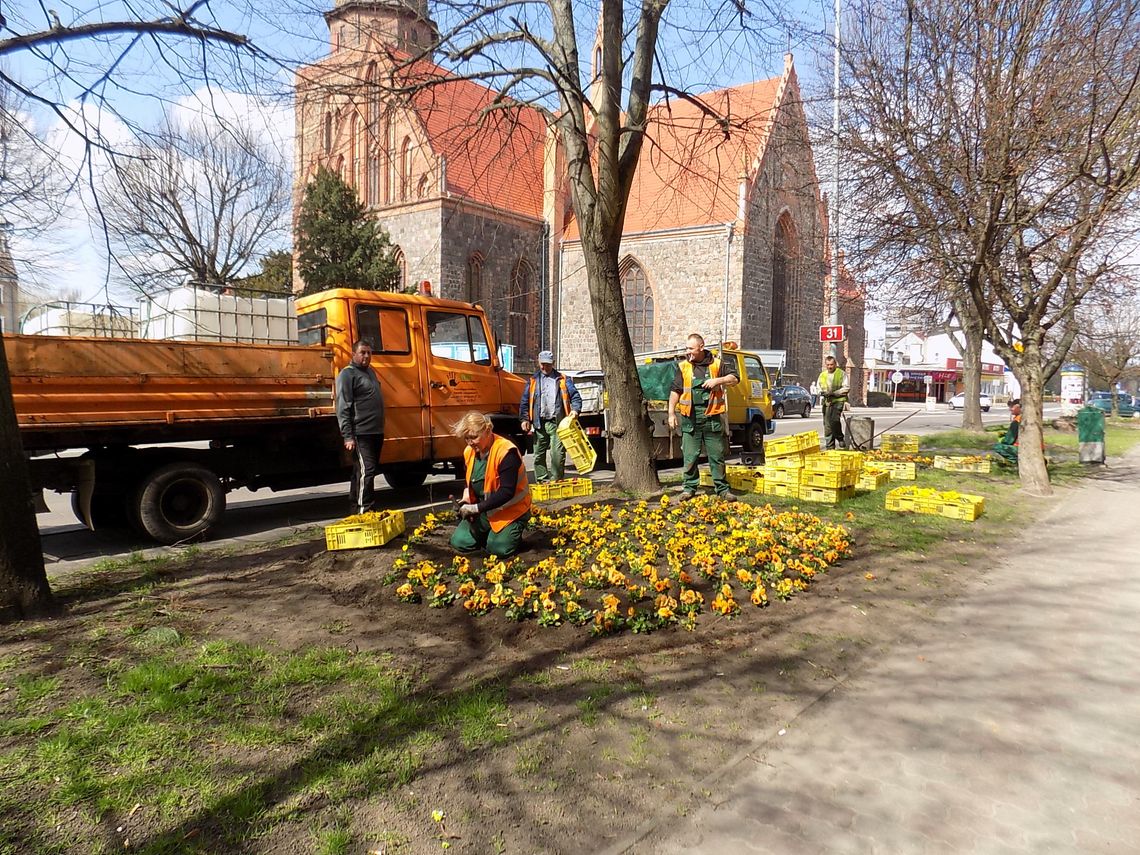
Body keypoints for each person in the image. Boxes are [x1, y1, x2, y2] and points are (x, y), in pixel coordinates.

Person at [667, 333, 740, 500]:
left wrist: (718, 381)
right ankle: (689, 488)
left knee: (717, 456)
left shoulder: (716, 364)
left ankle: (722, 490)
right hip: (690, 419)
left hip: (712, 418)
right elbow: (675, 391)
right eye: (687, 348)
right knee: (690, 456)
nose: (688, 351)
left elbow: (735, 378)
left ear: (701, 347)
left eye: (691, 348)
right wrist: (671, 413)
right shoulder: (683, 366)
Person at [450, 411, 532, 556]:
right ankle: (489, 534)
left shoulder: (506, 452)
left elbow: (507, 492)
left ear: (488, 431)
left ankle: (511, 533)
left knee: (499, 549)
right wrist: (466, 498)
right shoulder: (469, 451)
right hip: (485, 511)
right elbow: (470, 480)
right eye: (466, 438)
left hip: (511, 511)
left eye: (474, 437)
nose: (470, 442)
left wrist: (476, 508)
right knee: (459, 542)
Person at [336, 338, 385, 514]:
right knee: (368, 471)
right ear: (354, 354)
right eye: (362, 352)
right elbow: (343, 406)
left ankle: (354, 507)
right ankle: (365, 509)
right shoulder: (347, 374)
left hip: (376, 431)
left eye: (369, 353)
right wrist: (348, 435)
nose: (366, 356)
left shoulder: (370, 372)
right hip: (361, 432)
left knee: (360, 471)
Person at [519, 350, 583, 483]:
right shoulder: (532, 381)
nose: (544, 367)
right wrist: (524, 419)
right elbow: (525, 401)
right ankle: (542, 481)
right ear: (538, 362)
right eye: (542, 364)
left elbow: (575, 397)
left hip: (558, 423)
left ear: (553, 363)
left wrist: (575, 410)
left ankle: (556, 481)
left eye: (547, 364)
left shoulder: (563, 380)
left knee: (557, 455)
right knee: (538, 455)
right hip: (539, 423)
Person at [817, 354, 850, 450]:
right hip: (827, 402)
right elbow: (818, 387)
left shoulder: (841, 374)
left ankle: (840, 438)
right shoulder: (822, 375)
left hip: (838, 401)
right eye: (828, 365)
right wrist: (822, 393)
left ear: (835, 364)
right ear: (825, 365)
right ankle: (830, 447)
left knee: (834, 421)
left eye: (831, 364)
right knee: (827, 425)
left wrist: (835, 393)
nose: (830, 367)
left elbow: (846, 387)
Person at [994, 398, 1021, 465]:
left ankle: (1015, 462)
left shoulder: (1017, 421)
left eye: (1012, 407)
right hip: (1038, 449)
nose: (1010, 409)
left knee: (998, 447)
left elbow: (1009, 440)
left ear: (1019, 407)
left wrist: (1002, 439)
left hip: (1021, 448)